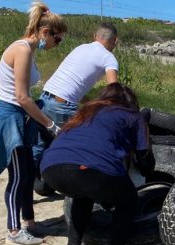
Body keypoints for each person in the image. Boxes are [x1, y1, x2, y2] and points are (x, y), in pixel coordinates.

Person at [0, 2, 66, 245]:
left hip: (19, 116)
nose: (57, 45)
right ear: (45, 32)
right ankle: (14, 231)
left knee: (25, 173)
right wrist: (50, 125)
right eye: (58, 40)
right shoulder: (22, 50)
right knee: (18, 176)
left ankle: (30, 223)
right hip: (8, 117)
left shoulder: (28, 50)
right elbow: (22, 97)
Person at [40, 83, 155, 245]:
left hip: (51, 167)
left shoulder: (85, 112)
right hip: (91, 168)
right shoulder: (133, 116)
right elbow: (145, 159)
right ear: (131, 103)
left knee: (82, 195)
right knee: (128, 200)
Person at [32, 22, 120, 170]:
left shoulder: (80, 48)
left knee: (39, 146)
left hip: (44, 99)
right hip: (62, 107)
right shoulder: (108, 57)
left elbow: (72, 85)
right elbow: (114, 90)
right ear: (115, 41)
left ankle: (25, 182)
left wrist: (91, 102)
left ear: (94, 36)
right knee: (78, 148)